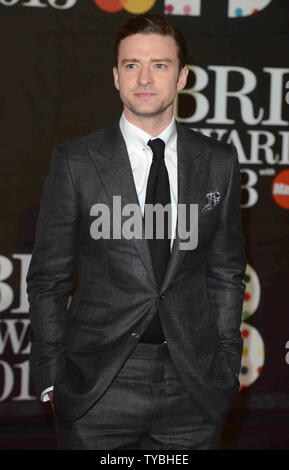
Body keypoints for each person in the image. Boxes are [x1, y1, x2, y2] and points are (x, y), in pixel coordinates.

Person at [26, 14, 246, 450]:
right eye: (131, 65)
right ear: (115, 75)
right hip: (98, 384)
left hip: (193, 383)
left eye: (160, 65)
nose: (144, 78)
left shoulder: (218, 161)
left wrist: (226, 365)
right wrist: (51, 376)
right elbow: (48, 278)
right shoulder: (76, 161)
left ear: (182, 76)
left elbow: (226, 273)